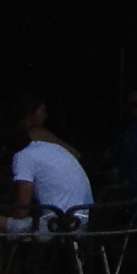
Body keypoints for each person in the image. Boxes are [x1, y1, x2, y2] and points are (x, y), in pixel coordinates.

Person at [9, 97, 92, 234]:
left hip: (59, 225)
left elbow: (21, 210)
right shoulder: (54, 149)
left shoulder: (24, 155)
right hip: (81, 221)